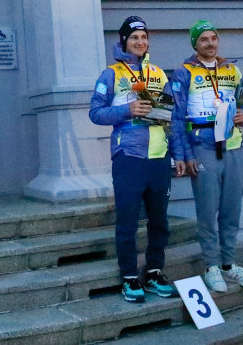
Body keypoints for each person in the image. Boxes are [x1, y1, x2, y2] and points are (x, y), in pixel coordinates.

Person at [89, 16, 182, 303]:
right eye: (134, 38)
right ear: (123, 42)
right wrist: (128, 110)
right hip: (128, 155)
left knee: (160, 221)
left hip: (158, 156)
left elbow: (172, 118)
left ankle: (154, 271)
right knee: (128, 220)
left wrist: (177, 153)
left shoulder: (158, 73)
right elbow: (96, 113)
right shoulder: (111, 74)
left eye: (143, 37)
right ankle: (129, 276)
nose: (139, 42)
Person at [171, 20, 243, 293]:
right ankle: (211, 266)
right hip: (202, 148)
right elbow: (175, 118)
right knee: (208, 211)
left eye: (213, 38)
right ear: (195, 44)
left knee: (232, 209)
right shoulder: (183, 73)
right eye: (204, 39)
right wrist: (182, 155)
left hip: (233, 146)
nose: (210, 43)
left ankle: (228, 264)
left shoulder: (233, 70)